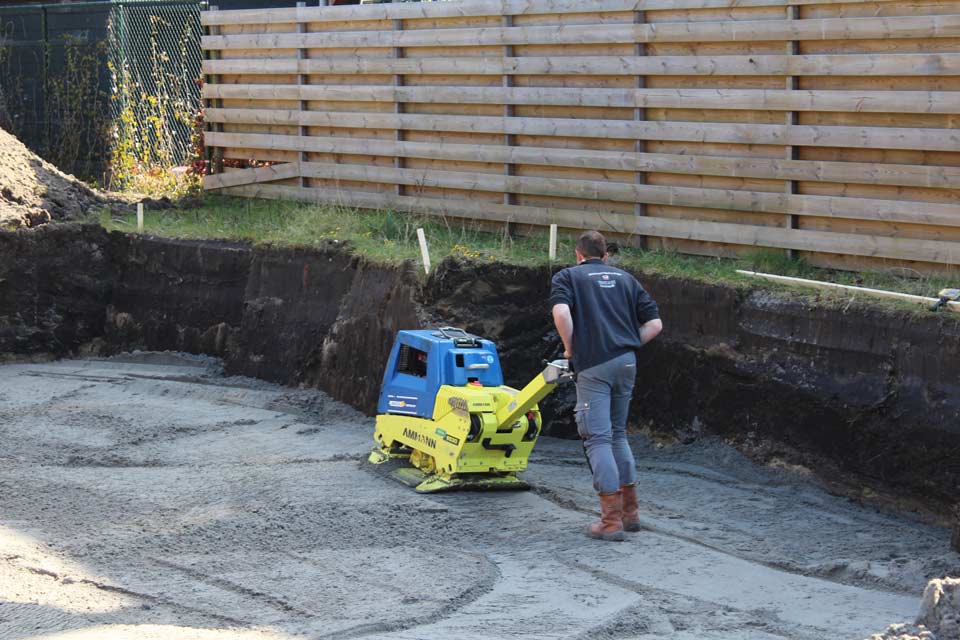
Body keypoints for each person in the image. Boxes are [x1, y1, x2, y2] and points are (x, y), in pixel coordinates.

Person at [550, 230, 663, 542]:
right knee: (616, 434)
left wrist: (572, 350)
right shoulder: (626, 280)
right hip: (627, 362)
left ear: (578, 254)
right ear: (606, 255)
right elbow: (655, 325)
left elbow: (561, 312)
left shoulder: (568, 277)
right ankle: (631, 514)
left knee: (597, 439)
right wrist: (624, 346)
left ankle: (610, 523)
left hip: (594, 367)